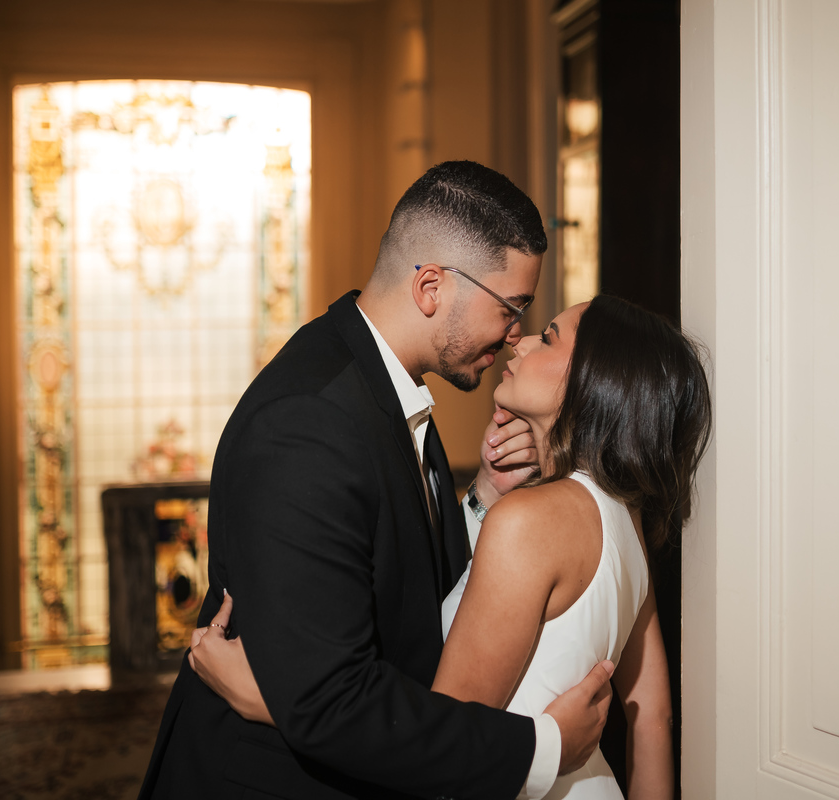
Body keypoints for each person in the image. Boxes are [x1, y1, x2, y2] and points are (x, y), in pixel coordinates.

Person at [139, 160, 616, 800]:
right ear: (430, 287)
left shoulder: (383, 383)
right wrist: (542, 747)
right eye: (510, 308)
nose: (514, 337)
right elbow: (331, 699)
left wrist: (480, 499)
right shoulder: (307, 422)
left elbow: (398, 586)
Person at [192, 295, 714, 799]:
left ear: (593, 381)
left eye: (550, 338)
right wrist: (486, 494)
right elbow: (653, 717)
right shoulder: (624, 513)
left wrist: (279, 702)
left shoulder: (529, 523)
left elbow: (435, 757)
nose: (522, 340)